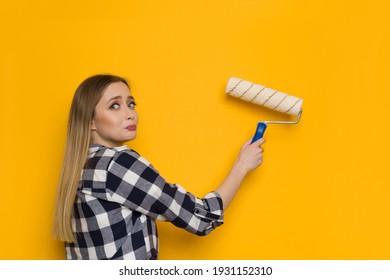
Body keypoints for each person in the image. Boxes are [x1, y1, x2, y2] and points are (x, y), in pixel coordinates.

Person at [52, 74, 265, 260]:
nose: (129, 113)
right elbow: (200, 218)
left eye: (131, 104)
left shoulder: (81, 167)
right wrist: (242, 166)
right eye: (114, 106)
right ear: (91, 121)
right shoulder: (117, 165)